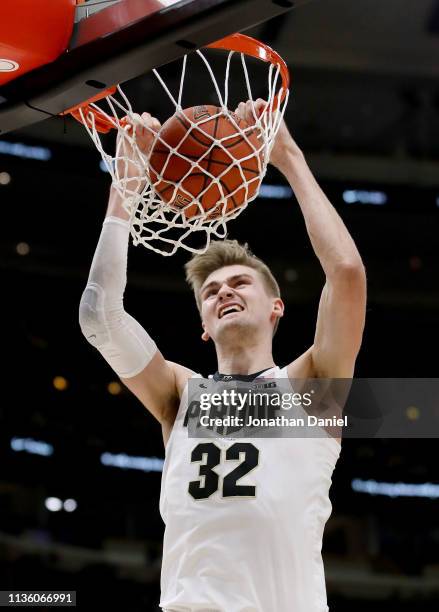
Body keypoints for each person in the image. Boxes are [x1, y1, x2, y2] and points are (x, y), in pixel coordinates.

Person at [79, 100, 367, 612]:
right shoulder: (179, 396)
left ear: (276, 307)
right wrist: (125, 187)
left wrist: (289, 158)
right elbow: (100, 316)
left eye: (239, 283)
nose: (224, 292)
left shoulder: (313, 386)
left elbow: (345, 274)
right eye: (211, 292)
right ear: (204, 327)